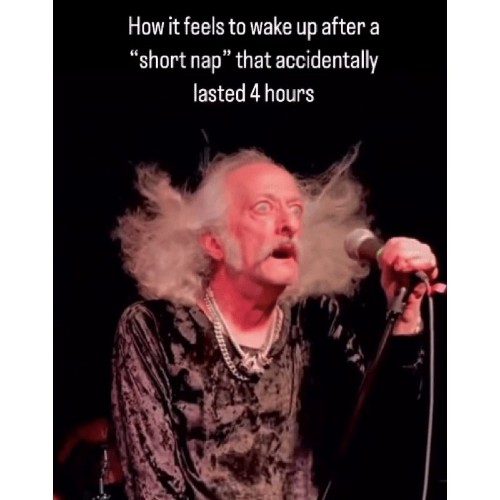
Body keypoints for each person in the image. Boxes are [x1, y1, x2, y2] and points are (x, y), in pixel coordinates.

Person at [110, 145, 445, 499]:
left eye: (296, 209)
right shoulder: (153, 329)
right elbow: (154, 489)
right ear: (214, 241)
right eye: (263, 207)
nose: (290, 224)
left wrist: (405, 317)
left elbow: (382, 441)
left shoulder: (316, 322)